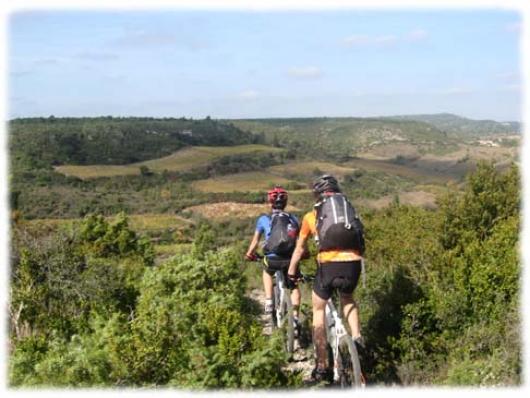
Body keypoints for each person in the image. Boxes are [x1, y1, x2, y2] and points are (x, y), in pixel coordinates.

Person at [287, 175, 364, 383]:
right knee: (348, 298)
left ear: (317, 195)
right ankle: (357, 339)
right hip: (353, 264)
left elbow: (299, 249)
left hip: (328, 267)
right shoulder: (349, 212)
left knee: (318, 310)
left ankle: (322, 367)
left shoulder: (311, 217)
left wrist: (292, 271)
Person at [245, 186, 302, 323]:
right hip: (290, 259)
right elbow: (299, 241)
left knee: (267, 271)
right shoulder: (293, 219)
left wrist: (249, 254)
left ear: (270, 203)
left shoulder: (264, 219)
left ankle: (269, 301)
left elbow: (255, 241)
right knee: (294, 286)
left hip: (273, 258)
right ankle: (295, 319)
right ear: (285, 203)